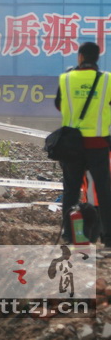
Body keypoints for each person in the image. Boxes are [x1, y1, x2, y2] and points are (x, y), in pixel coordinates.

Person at [55, 41, 111, 247]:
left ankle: (70, 235)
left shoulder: (66, 79)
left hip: (72, 146)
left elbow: (59, 105)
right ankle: (108, 239)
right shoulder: (108, 80)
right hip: (98, 145)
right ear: (97, 58)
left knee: (70, 191)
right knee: (104, 192)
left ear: (80, 57)